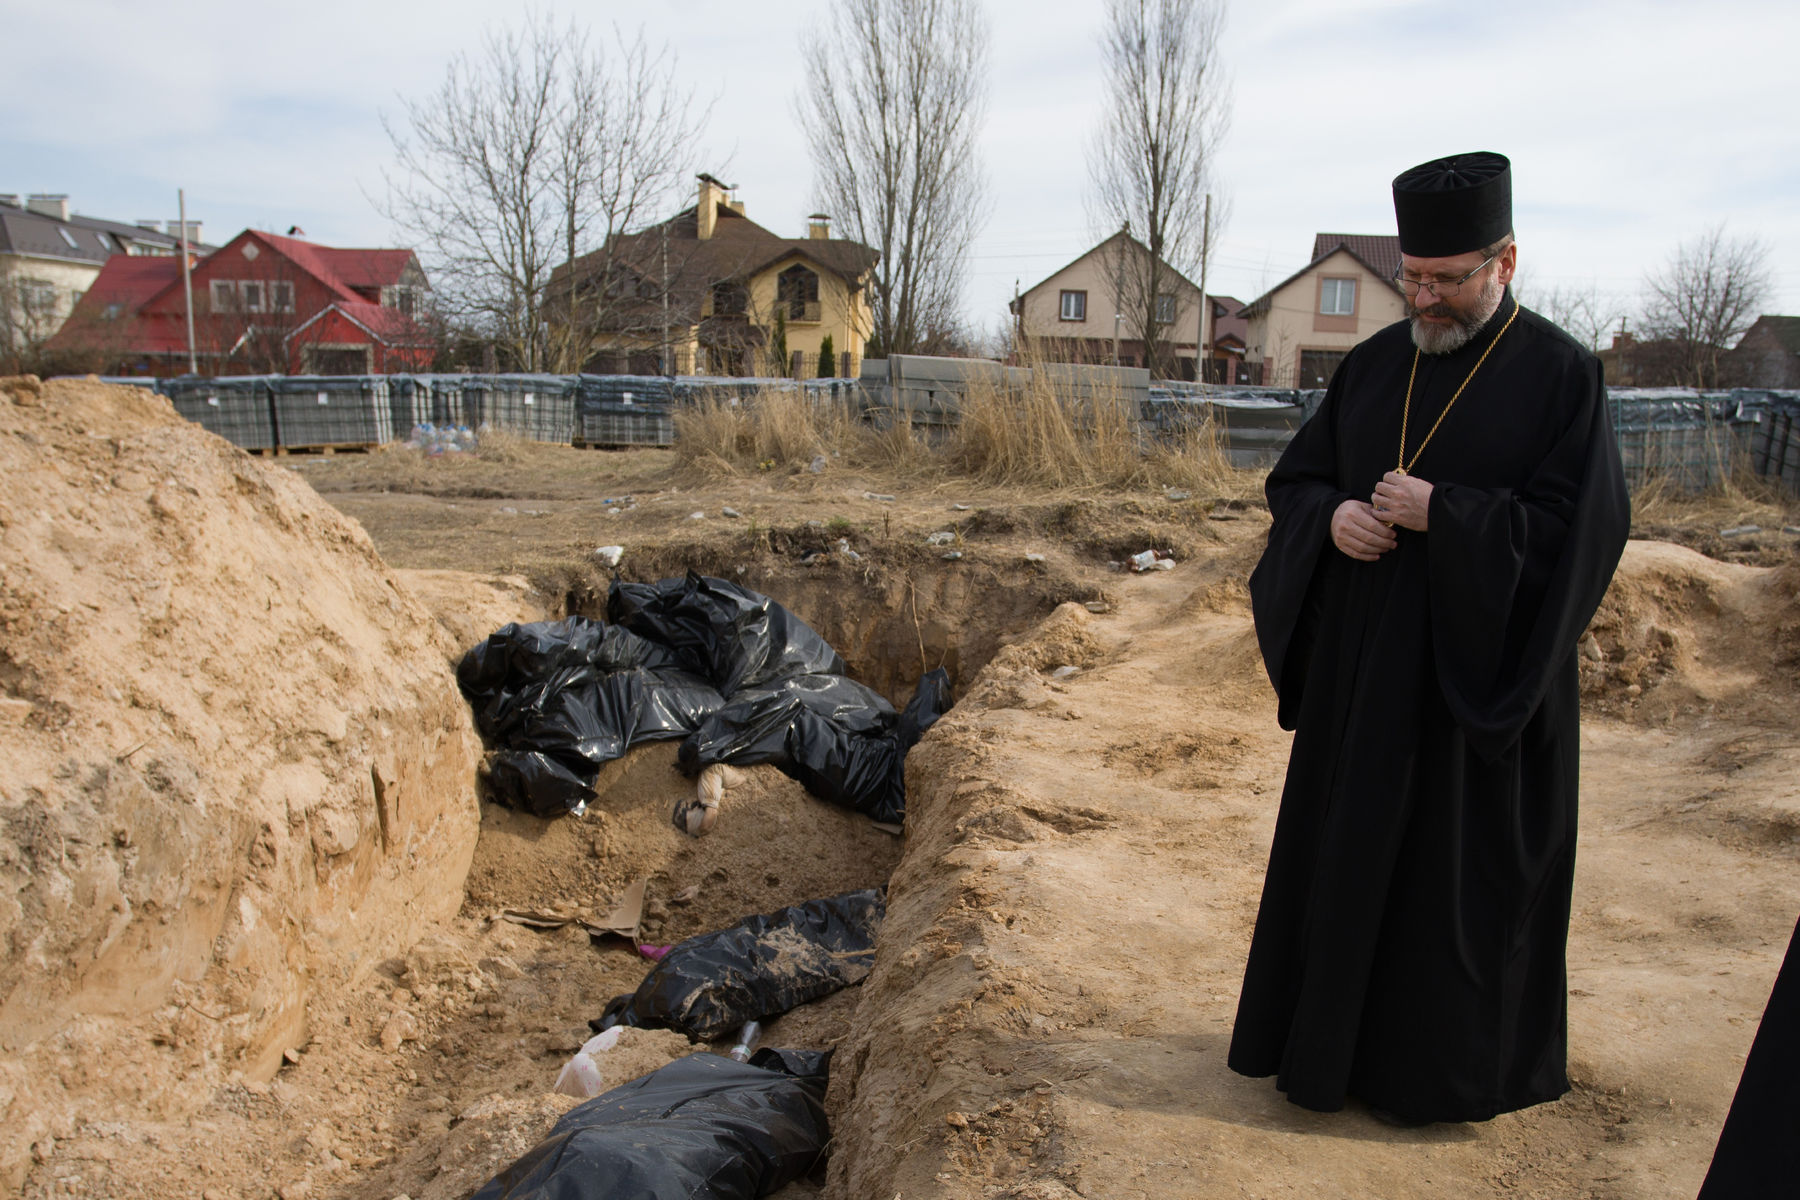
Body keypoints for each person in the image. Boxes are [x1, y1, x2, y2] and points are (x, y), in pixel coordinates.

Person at [1226, 151, 1631, 1125]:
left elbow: (1582, 535)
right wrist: (1332, 523)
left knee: (1450, 893)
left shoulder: (1561, 377)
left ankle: (1439, 1076)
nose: (1426, 298)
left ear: (1506, 263)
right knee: (1350, 862)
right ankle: (1327, 1056)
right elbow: (1297, 484)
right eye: (1413, 276)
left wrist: (1444, 515)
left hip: (1473, 690)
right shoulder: (1370, 366)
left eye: (1448, 280)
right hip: (1365, 685)